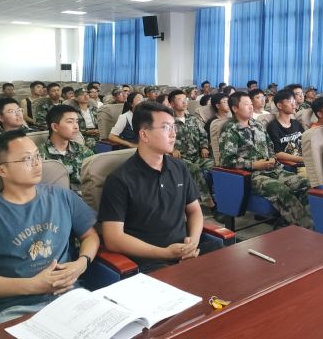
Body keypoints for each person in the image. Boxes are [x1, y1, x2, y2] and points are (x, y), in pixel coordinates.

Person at [0, 130, 99, 324]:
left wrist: (81, 263)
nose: (37, 163)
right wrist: (33, 285)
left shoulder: (61, 196)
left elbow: (90, 236)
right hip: (16, 309)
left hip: (70, 296)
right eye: (27, 159)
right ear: (2, 170)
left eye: (37, 156)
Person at [99, 102, 218, 273]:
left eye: (173, 127)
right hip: (149, 259)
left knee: (227, 261)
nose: (173, 134)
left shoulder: (180, 167)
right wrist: (165, 253)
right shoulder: (120, 179)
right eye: (165, 127)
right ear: (144, 134)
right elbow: (113, 238)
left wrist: (192, 242)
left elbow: (194, 211)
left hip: (183, 250)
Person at [219, 92, 312, 228]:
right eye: (246, 104)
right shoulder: (229, 129)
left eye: (251, 104)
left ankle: (288, 224)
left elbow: (270, 146)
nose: (251, 107)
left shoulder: (257, 125)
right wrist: (253, 165)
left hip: (272, 169)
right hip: (251, 175)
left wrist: (272, 159)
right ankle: (305, 227)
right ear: (235, 108)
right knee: (281, 190)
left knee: (305, 184)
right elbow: (226, 160)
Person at [169, 90, 214, 207]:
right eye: (180, 100)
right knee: (194, 169)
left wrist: (204, 147)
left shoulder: (193, 119)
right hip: (180, 159)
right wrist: (171, 150)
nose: (184, 102)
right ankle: (208, 202)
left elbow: (203, 135)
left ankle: (219, 197)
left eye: (186, 99)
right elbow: (162, 140)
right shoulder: (168, 122)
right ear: (172, 104)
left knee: (215, 165)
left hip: (197, 156)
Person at [38, 105, 94, 192]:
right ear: (55, 127)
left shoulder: (84, 151)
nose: (76, 126)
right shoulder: (40, 155)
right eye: (70, 122)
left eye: (77, 121)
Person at [267, 90, 304, 165]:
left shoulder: (296, 123)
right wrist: (303, 159)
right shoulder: (273, 127)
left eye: (294, 101)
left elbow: (305, 141)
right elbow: (278, 153)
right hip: (291, 165)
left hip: (304, 161)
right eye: (290, 101)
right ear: (279, 106)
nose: (294, 104)